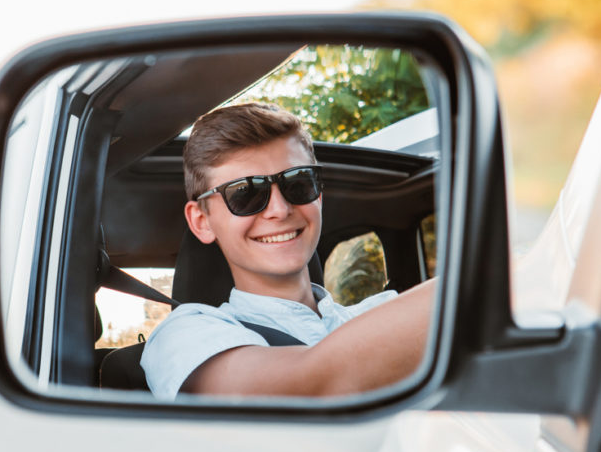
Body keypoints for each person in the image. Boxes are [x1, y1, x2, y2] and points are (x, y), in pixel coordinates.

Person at [141, 102, 434, 399]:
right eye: (245, 193)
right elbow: (314, 384)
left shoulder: (378, 312)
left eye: (299, 182)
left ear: (319, 196)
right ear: (202, 221)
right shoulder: (184, 337)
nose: (280, 210)